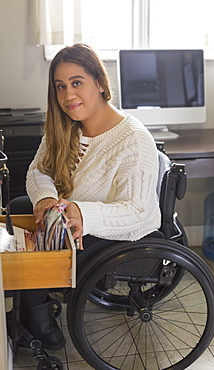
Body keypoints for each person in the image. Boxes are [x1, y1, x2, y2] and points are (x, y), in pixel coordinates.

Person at [22, 43, 161, 350]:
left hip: (118, 231)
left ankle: (38, 323)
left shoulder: (132, 141)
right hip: (67, 213)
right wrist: (45, 198)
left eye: (76, 83)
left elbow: (138, 211)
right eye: (60, 86)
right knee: (22, 209)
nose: (68, 96)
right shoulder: (65, 126)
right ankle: (32, 309)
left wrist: (84, 214)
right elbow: (37, 171)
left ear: (99, 82)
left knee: (39, 253)